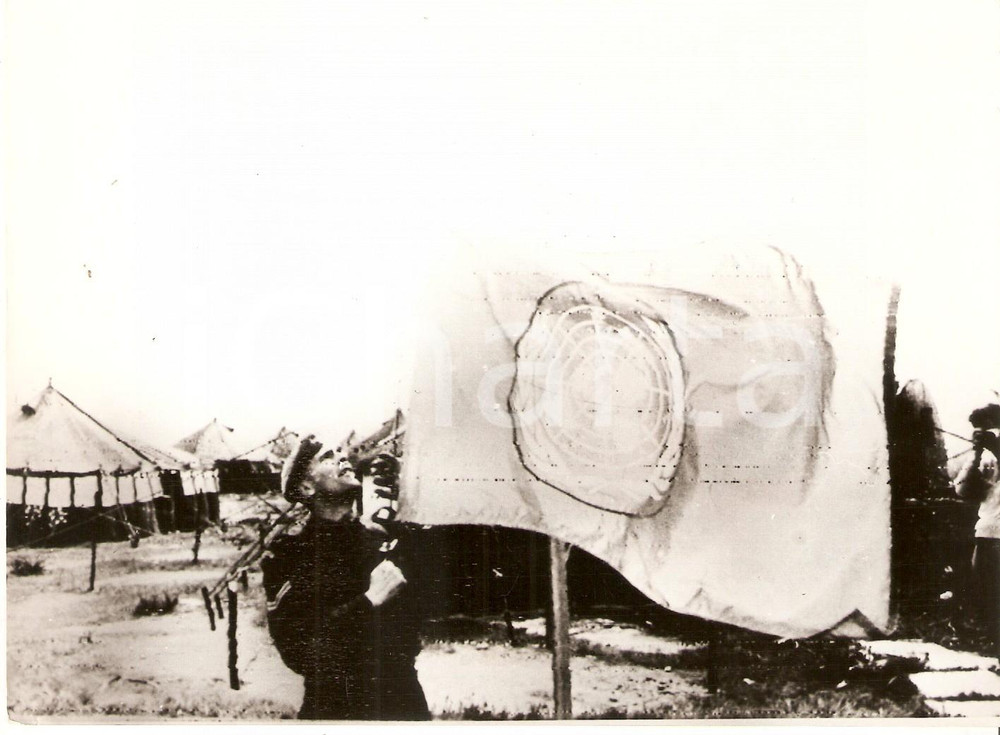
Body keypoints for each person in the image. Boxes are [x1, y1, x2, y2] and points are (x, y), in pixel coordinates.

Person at [261, 436, 430, 720]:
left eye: (340, 451)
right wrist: (368, 602)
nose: (342, 457)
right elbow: (300, 652)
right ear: (305, 486)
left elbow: (443, 592)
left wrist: (408, 494)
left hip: (402, 699)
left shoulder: (382, 537)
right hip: (336, 705)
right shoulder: (289, 555)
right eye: (327, 456)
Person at [954, 403, 1000, 660]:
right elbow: (964, 492)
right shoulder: (984, 457)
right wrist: (977, 453)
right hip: (990, 532)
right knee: (986, 595)